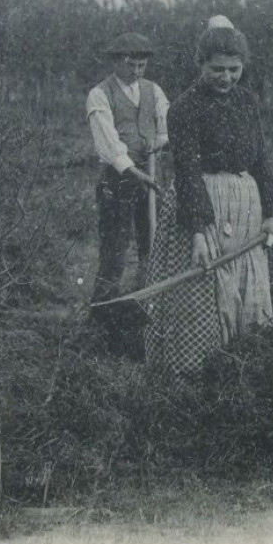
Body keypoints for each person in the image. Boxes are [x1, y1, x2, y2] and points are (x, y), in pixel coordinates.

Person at [143, 20, 273, 376]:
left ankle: (246, 362)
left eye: (234, 70)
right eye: (217, 69)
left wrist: (272, 212)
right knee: (203, 288)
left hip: (246, 206)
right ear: (200, 64)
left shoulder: (247, 101)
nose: (226, 77)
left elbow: (261, 159)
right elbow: (187, 171)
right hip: (204, 204)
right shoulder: (184, 108)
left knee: (246, 285)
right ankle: (203, 372)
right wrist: (197, 231)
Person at [86, 31, 169, 345]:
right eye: (132, 65)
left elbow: (164, 124)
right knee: (115, 252)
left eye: (142, 65)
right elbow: (107, 143)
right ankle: (100, 317)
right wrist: (131, 169)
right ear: (117, 62)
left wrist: (158, 146)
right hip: (117, 181)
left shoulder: (153, 91)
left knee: (154, 245)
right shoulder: (100, 94)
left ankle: (149, 309)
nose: (137, 71)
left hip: (150, 179)